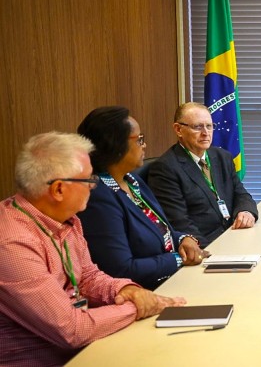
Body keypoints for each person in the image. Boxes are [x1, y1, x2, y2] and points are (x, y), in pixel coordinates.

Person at [0, 132, 185, 366]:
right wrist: (139, 307)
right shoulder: (12, 244)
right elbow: (72, 328)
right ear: (58, 190)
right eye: (88, 180)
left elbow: (87, 276)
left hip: (87, 350)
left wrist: (126, 289)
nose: (94, 186)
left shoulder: (67, 219)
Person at [77, 106, 206, 290]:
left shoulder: (133, 180)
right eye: (139, 140)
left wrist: (185, 239)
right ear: (115, 144)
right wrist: (179, 259)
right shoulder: (98, 197)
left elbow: (161, 231)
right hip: (144, 293)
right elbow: (121, 269)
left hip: (173, 280)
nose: (144, 145)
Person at [148, 102, 258, 247]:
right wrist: (214, 251)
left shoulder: (221, 157)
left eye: (209, 126)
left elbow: (241, 193)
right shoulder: (165, 168)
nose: (206, 133)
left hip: (234, 235)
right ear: (178, 129)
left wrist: (246, 211)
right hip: (207, 246)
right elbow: (180, 224)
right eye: (197, 127)